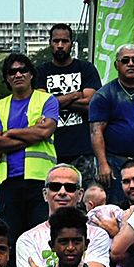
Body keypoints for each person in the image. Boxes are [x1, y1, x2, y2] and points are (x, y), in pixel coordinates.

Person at [0, 52, 61, 244]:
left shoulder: (47, 100)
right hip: (8, 182)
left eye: (23, 70)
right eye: (12, 72)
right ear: (6, 78)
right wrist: (31, 132)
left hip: (40, 181)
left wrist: (9, 133)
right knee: (11, 241)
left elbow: (45, 132)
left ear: (31, 74)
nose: (18, 75)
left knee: (42, 237)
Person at [14, 164, 113, 267]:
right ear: (45, 194)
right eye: (55, 186)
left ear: (80, 195)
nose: (62, 192)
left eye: (69, 187)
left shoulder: (98, 235)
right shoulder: (27, 239)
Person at [34, 23, 102, 172]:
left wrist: (55, 100)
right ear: (50, 43)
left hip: (82, 150)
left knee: (85, 194)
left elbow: (91, 105)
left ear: (71, 43)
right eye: (56, 41)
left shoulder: (86, 69)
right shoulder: (41, 72)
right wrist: (74, 95)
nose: (60, 45)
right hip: (50, 151)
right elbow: (40, 106)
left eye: (64, 41)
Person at [91, 43, 134, 182]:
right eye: (125, 60)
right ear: (116, 65)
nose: (131, 64)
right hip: (116, 163)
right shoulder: (104, 95)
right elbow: (96, 132)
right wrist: (102, 164)